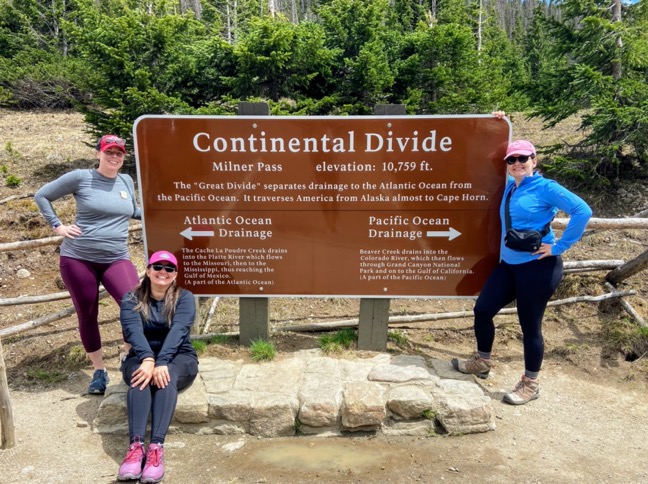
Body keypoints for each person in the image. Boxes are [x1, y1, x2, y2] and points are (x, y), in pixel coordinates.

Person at [452, 124, 592, 405]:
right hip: (509, 265)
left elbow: (582, 211)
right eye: (512, 159)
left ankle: (530, 383)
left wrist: (560, 246)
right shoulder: (509, 188)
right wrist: (493, 122)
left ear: (534, 161)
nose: (517, 163)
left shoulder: (546, 187)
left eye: (522, 158)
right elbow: (478, 163)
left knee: (530, 325)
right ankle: (482, 361)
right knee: (483, 309)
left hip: (539, 267)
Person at [34, 134, 141, 394]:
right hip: (78, 259)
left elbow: (135, 212)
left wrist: (167, 208)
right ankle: (99, 371)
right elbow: (42, 195)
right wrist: (58, 226)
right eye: (109, 152)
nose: (114, 157)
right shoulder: (81, 177)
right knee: (88, 314)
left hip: (116, 257)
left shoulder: (126, 180)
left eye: (119, 153)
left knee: (135, 305)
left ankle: (128, 356)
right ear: (98, 154)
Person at [117, 250, 198, 483]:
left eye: (169, 268)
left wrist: (161, 362)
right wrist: (148, 359)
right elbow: (133, 331)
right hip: (141, 356)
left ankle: (156, 448)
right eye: (158, 267)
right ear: (148, 270)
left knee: (167, 376)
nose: (163, 272)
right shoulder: (131, 297)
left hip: (179, 356)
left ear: (175, 274)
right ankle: (135, 448)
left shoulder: (185, 297)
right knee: (139, 376)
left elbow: (179, 330)